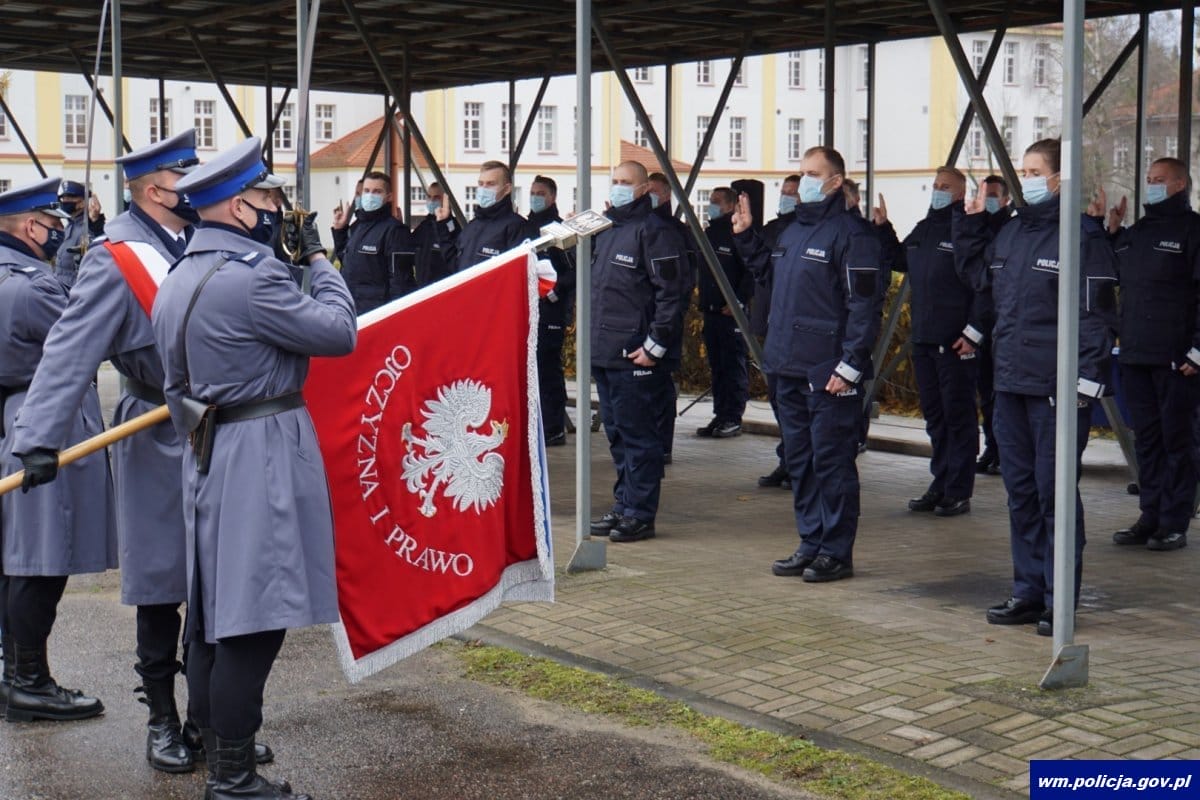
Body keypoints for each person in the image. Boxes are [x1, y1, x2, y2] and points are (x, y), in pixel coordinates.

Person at [8, 131, 241, 771]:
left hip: (222, 429)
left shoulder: (204, 241)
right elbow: (68, 351)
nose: (195, 188)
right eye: (185, 177)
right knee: (164, 580)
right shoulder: (116, 259)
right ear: (157, 187)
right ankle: (164, 720)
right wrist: (37, 437)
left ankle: (214, 722)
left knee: (219, 581)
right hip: (155, 431)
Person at [151, 136, 355, 799]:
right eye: (268, 199)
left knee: (214, 615)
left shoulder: (180, 273)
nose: (276, 210)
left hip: (210, 450)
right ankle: (235, 779)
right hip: (259, 448)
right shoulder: (256, 275)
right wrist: (320, 256)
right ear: (239, 208)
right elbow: (337, 331)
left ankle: (220, 750)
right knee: (255, 621)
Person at [953, 138, 1117, 636]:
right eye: (1021, 169)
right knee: (1020, 492)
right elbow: (981, 282)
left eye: (1033, 170)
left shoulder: (1082, 238)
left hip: (1057, 390)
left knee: (1054, 495)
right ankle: (1027, 590)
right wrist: (971, 223)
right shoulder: (1013, 232)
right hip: (1012, 384)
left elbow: (1097, 316)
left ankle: (1058, 598)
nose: (1025, 178)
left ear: (1059, 178)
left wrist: (1085, 384)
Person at [733, 146, 885, 583]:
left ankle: (836, 552)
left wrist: (851, 365)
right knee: (800, 461)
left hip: (829, 372)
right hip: (787, 366)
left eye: (813, 174)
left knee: (831, 462)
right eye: (801, 173)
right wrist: (745, 238)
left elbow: (865, 305)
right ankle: (811, 542)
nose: (804, 182)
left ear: (836, 182)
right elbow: (770, 277)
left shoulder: (853, 235)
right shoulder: (792, 232)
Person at [0, 176, 118, 722]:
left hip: (12, 418)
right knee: (39, 561)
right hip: (43, 420)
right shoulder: (33, 287)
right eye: (53, 225)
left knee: (14, 559)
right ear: (29, 227)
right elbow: (84, 339)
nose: (59, 234)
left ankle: (14, 676)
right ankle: (29, 681)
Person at [588, 161, 688, 543]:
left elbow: (672, 293)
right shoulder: (608, 229)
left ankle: (640, 513)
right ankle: (624, 504)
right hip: (606, 353)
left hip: (636, 356)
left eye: (625, 183)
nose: (617, 188)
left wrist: (655, 345)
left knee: (640, 437)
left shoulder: (655, 232)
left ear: (644, 189)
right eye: (613, 182)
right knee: (617, 435)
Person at [875, 167, 984, 517]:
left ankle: (959, 490)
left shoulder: (966, 229)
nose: (937, 191)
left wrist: (974, 331)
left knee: (958, 417)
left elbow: (986, 285)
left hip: (956, 343)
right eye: (935, 185)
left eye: (944, 187)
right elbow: (899, 259)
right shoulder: (925, 227)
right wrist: (884, 229)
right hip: (924, 339)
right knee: (935, 418)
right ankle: (940, 482)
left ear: (958, 193)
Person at [1106, 157, 1200, 553]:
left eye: (1159, 180)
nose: (1152, 186)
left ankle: (1175, 521)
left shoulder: (1194, 231)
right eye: (1149, 180)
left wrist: (1197, 352)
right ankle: (1151, 514)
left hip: (1177, 360)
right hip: (1136, 356)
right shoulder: (1136, 234)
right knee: (1146, 440)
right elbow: (1110, 273)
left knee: (1178, 441)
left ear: (1180, 185)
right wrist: (1108, 232)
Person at [646, 172, 696, 465]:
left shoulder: (675, 231)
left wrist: (671, 320)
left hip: (665, 323)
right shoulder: (638, 227)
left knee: (662, 386)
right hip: (639, 323)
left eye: (653, 191)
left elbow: (683, 281)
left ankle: (662, 445)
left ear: (665, 195)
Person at [755, 175, 801, 490]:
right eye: (782, 193)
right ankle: (788, 460)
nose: (785, 198)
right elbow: (759, 269)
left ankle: (798, 465)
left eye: (792, 193)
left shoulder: (808, 232)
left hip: (799, 331)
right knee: (779, 400)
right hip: (773, 326)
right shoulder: (772, 230)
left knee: (798, 407)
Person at [696, 187, 753, 439]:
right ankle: (720, 414)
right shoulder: (709, 233)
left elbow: (750, 272)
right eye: (710, 201)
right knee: (717, 366)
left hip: (732, 315)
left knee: (733, 366)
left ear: (730, 206)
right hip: (711, 311)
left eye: (716, 202)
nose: (711, 205)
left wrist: (738, 301)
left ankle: (733, 417)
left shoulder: (737, 234)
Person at [524, 176, 576, 447]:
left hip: (551, 310)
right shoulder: (524, 226)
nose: (535, 197)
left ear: (552, 197)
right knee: (531, 370)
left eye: (540, 193)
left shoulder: (559, 231)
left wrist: (556, 291)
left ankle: (554, 427)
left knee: (548, 370)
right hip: (529, 310)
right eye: (532, 192)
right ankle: (538, 423)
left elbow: (574, 271)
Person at [330, 171, 416, 314]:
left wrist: (395, 317)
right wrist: (340, 231)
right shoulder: (358, 226)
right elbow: (348, 262)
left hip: (376, 313)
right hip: (351, 308)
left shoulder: (395, 230)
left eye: (377, 192)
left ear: (388, 197)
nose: (370, 195)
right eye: (366, 191)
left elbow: (401, 282)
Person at [975, 174, 1011, 475]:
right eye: (983, 193)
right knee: (986, 393)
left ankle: (1002, 449)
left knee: (1001, 395)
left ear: (1005, 199)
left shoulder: (1009, 230)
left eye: (993, 194)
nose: (987, 199)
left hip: (1004, 327)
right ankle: (992, 446)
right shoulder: (974, 225)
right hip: (980, 328)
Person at [435, 160, 526, 272]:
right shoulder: (472, 226)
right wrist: (444, 224)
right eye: (481, 184)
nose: (483, 189)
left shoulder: (516, 226)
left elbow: (517, 273)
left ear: (507, 189)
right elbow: (455, 266)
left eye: (491, 184)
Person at [54, 179, 106, 289]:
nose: (65, 201)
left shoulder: (88, 227)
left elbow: (97, 252)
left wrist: (96, 221)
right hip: (60, 287)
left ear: (82, 202)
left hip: (75, 289)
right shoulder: (69, 226)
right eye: (64, 198)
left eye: (70, 198)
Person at [412, 182, 451, 286]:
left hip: (442, 289)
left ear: (445, 200)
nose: (432, 201)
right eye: (429, 197)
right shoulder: (424, 226)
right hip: (422, 287)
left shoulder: (452, 227)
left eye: (436, 197)